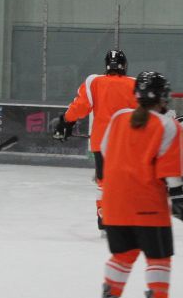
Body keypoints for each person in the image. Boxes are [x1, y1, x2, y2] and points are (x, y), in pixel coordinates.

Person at [95, 71, 183, 298]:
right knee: (159, 256)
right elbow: (171, 172)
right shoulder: (168, 126)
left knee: (123, 253)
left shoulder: (118, 117)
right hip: (147, 203)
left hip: (113, 202)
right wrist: (181, 198)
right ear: (162, 97)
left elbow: (104, 150)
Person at [52, 49, 136, 229]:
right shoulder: (135, 84)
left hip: (101, 142)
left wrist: (66, 122)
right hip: (126, 142)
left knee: (104, 181)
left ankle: (103, 213)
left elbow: (80, 107)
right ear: (124, 65)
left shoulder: (94, 82)